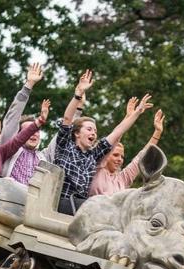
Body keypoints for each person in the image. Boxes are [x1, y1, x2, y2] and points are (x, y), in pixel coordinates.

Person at [54, 69, 153, 215]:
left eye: (95, 131)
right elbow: (67, 119)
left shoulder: (93, 155)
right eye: (89, 129)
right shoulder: (65, 146)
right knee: (102, 209)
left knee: (111, 209)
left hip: (82, 206)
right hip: (62, 201)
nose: (93, 133)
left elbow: (118, 132)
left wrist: (137, 112)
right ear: (76, 133)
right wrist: (78, 94)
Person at [89, 100, 165, 196]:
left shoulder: (123, 178)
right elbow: (115, 137)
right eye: (116, 155)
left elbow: (141, 157)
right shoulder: (96, 168)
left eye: (122, 157)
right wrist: (129, 116)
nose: (119, 159)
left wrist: (157, 132)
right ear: (106, 154)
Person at [0, 63, 58, 185]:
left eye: (36, 131)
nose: (33, 133)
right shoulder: (10, 149)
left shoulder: (43, 157)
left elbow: (62, 137)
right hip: (8, 198)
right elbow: (12, 117)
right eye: (29, 131)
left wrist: (78, 103)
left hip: (33, 202)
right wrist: (28, 85)